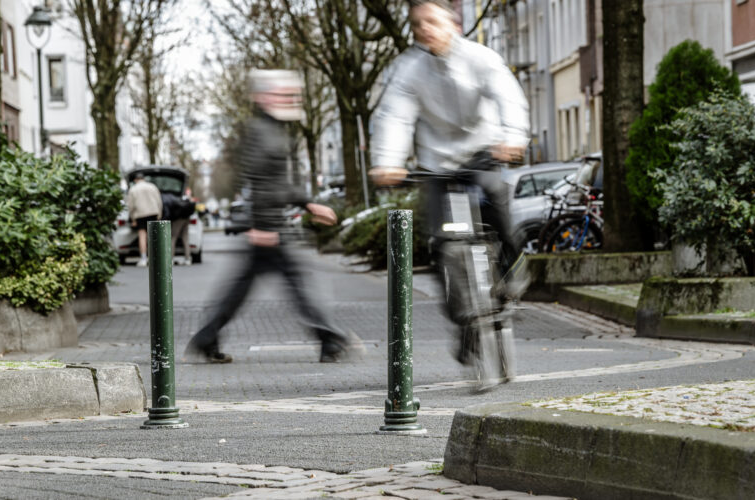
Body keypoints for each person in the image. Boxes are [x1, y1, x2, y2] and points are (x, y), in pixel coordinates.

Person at [369, 0, 530, 363]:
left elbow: (507, 93)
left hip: (482, 151)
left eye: (432, 21)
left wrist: (513, 136)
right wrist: (388, 162)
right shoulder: (410, 69)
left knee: (496, 207)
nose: (425, 28)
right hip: (437, 165)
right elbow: (395, 116)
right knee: (442, 243)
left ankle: (515, 269)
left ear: (452, 23)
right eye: (417, 24)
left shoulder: (480, 58)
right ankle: (465, 322)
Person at [184, 69, 359, 364]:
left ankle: (207, 336)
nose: (289, 99)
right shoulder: (261, 131)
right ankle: (328, 338)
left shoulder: (273, 129)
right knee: (294, 281)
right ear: (263, 97)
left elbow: (275, 179)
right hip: (269, 226)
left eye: (291, 94)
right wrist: (264, 224)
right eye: (281, 94)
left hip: (271, 224)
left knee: (246, 286)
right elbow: (261, 179)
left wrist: (307, 204)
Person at [126, 172, 163, 267]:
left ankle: (143, 258)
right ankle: (155, 257)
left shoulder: (133, 189)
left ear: (135, 180)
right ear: (144, 179)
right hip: (153, 212)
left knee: (142, 236)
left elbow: (130, 206)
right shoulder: (152, 187)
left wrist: (132, 218)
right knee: (153, 236)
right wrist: (159, 214)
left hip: (140, 214)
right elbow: (159, 201)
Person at [162, 192, 195, 266]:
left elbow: (167, 213)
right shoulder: (182, 199)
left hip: (178, 220)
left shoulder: (168, 199)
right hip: (186, 218)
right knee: (185, 238)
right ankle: (187, 259)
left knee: (173, 237)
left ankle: (171, 259)